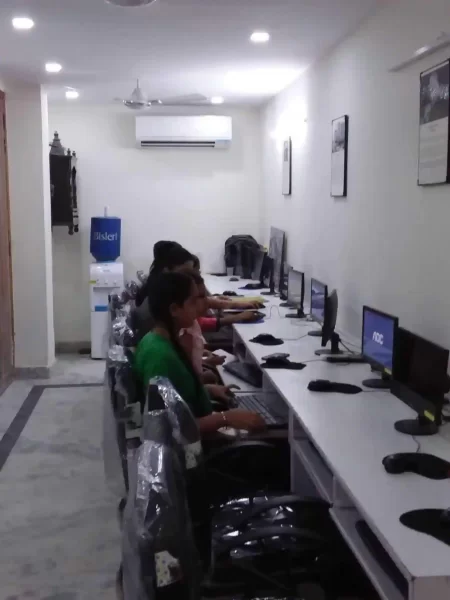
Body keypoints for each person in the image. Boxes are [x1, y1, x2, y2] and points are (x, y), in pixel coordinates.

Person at [134, 271, 266, 435]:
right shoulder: (159, 357)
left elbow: (177, 394)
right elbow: (168, 429)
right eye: (193, 301)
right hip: (197, 445)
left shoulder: (158, 339)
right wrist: (226, 418)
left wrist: (207, 390)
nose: (201, 306)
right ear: (174, 309)